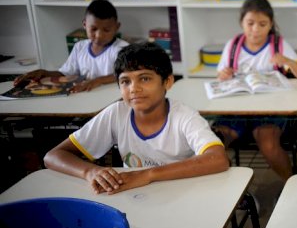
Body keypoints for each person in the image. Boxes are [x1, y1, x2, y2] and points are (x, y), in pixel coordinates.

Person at [43, 42, 229, 195]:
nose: (134, 88)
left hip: (184, 192)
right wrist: (90, 171)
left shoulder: (184, 116)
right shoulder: (116, 113)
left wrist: (147, 175)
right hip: (135, 195)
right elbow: (53, 156)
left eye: (145, 79)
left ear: (168, 82)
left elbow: (218, 158)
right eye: (125, 81)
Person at [214, 0, 297, 180]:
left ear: (271, 24)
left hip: (271, 110)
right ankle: (231, 190)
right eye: (250, 23)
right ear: (241, 22)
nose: (255, 30)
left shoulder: (277, 44)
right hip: (236, 109)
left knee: (268, 145)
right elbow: (220, 76)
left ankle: (290, 182)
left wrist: (287, 60)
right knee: (215, 142)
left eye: (262, 24)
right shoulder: (233, 45)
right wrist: (223, 75)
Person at [14, 0, 129, 93]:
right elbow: (66, 73)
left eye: (106, 30)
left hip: (109, 100)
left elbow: (126, 74)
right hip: (85, 97)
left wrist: (97, 81)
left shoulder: (122, 49)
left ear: (117, 27)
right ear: (84, 25)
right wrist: (44, 73)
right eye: (93, 29)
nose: (99, 35)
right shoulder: (80, 47)